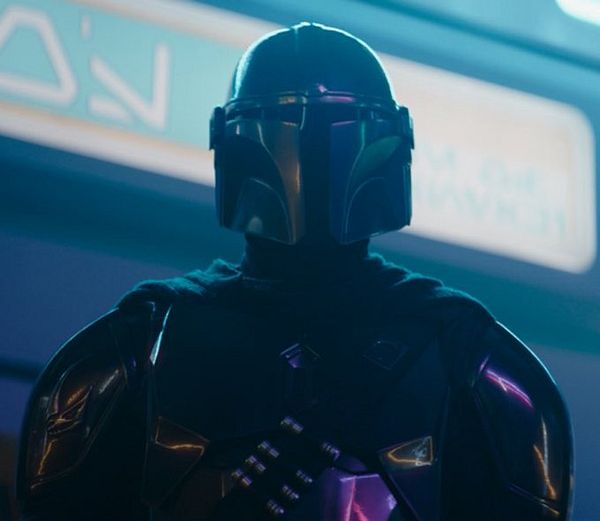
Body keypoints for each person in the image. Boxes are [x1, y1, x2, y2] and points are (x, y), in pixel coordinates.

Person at [16, 22, 572, 521]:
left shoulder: (468, 357)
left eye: (334, 127)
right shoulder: (473, 360)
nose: (313, 150)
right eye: (291, 126)